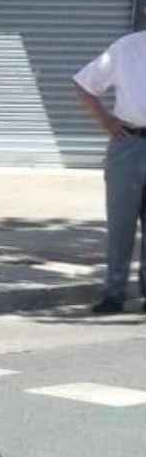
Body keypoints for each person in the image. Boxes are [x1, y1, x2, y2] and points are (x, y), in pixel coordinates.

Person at [74, 32, 146, 314]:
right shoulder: (126, 47)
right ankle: (114, 294)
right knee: (121, 224)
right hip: (128, 143)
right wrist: (106, 121)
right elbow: (84, 85)